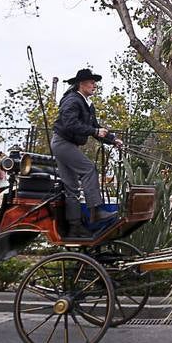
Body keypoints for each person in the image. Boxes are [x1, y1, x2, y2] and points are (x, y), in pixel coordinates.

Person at [51, 67, 123, 235]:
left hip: (65, 144)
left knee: (71, 187)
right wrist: (94, 132)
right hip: (63, 143)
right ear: (82, 84)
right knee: (89, 169)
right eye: (92, 83)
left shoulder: (86, 104)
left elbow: (95, 128)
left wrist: (113, 140)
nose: (94, 86)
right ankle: (96, 211)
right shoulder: (72, 100)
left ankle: (74, 227)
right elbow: (70, 124)